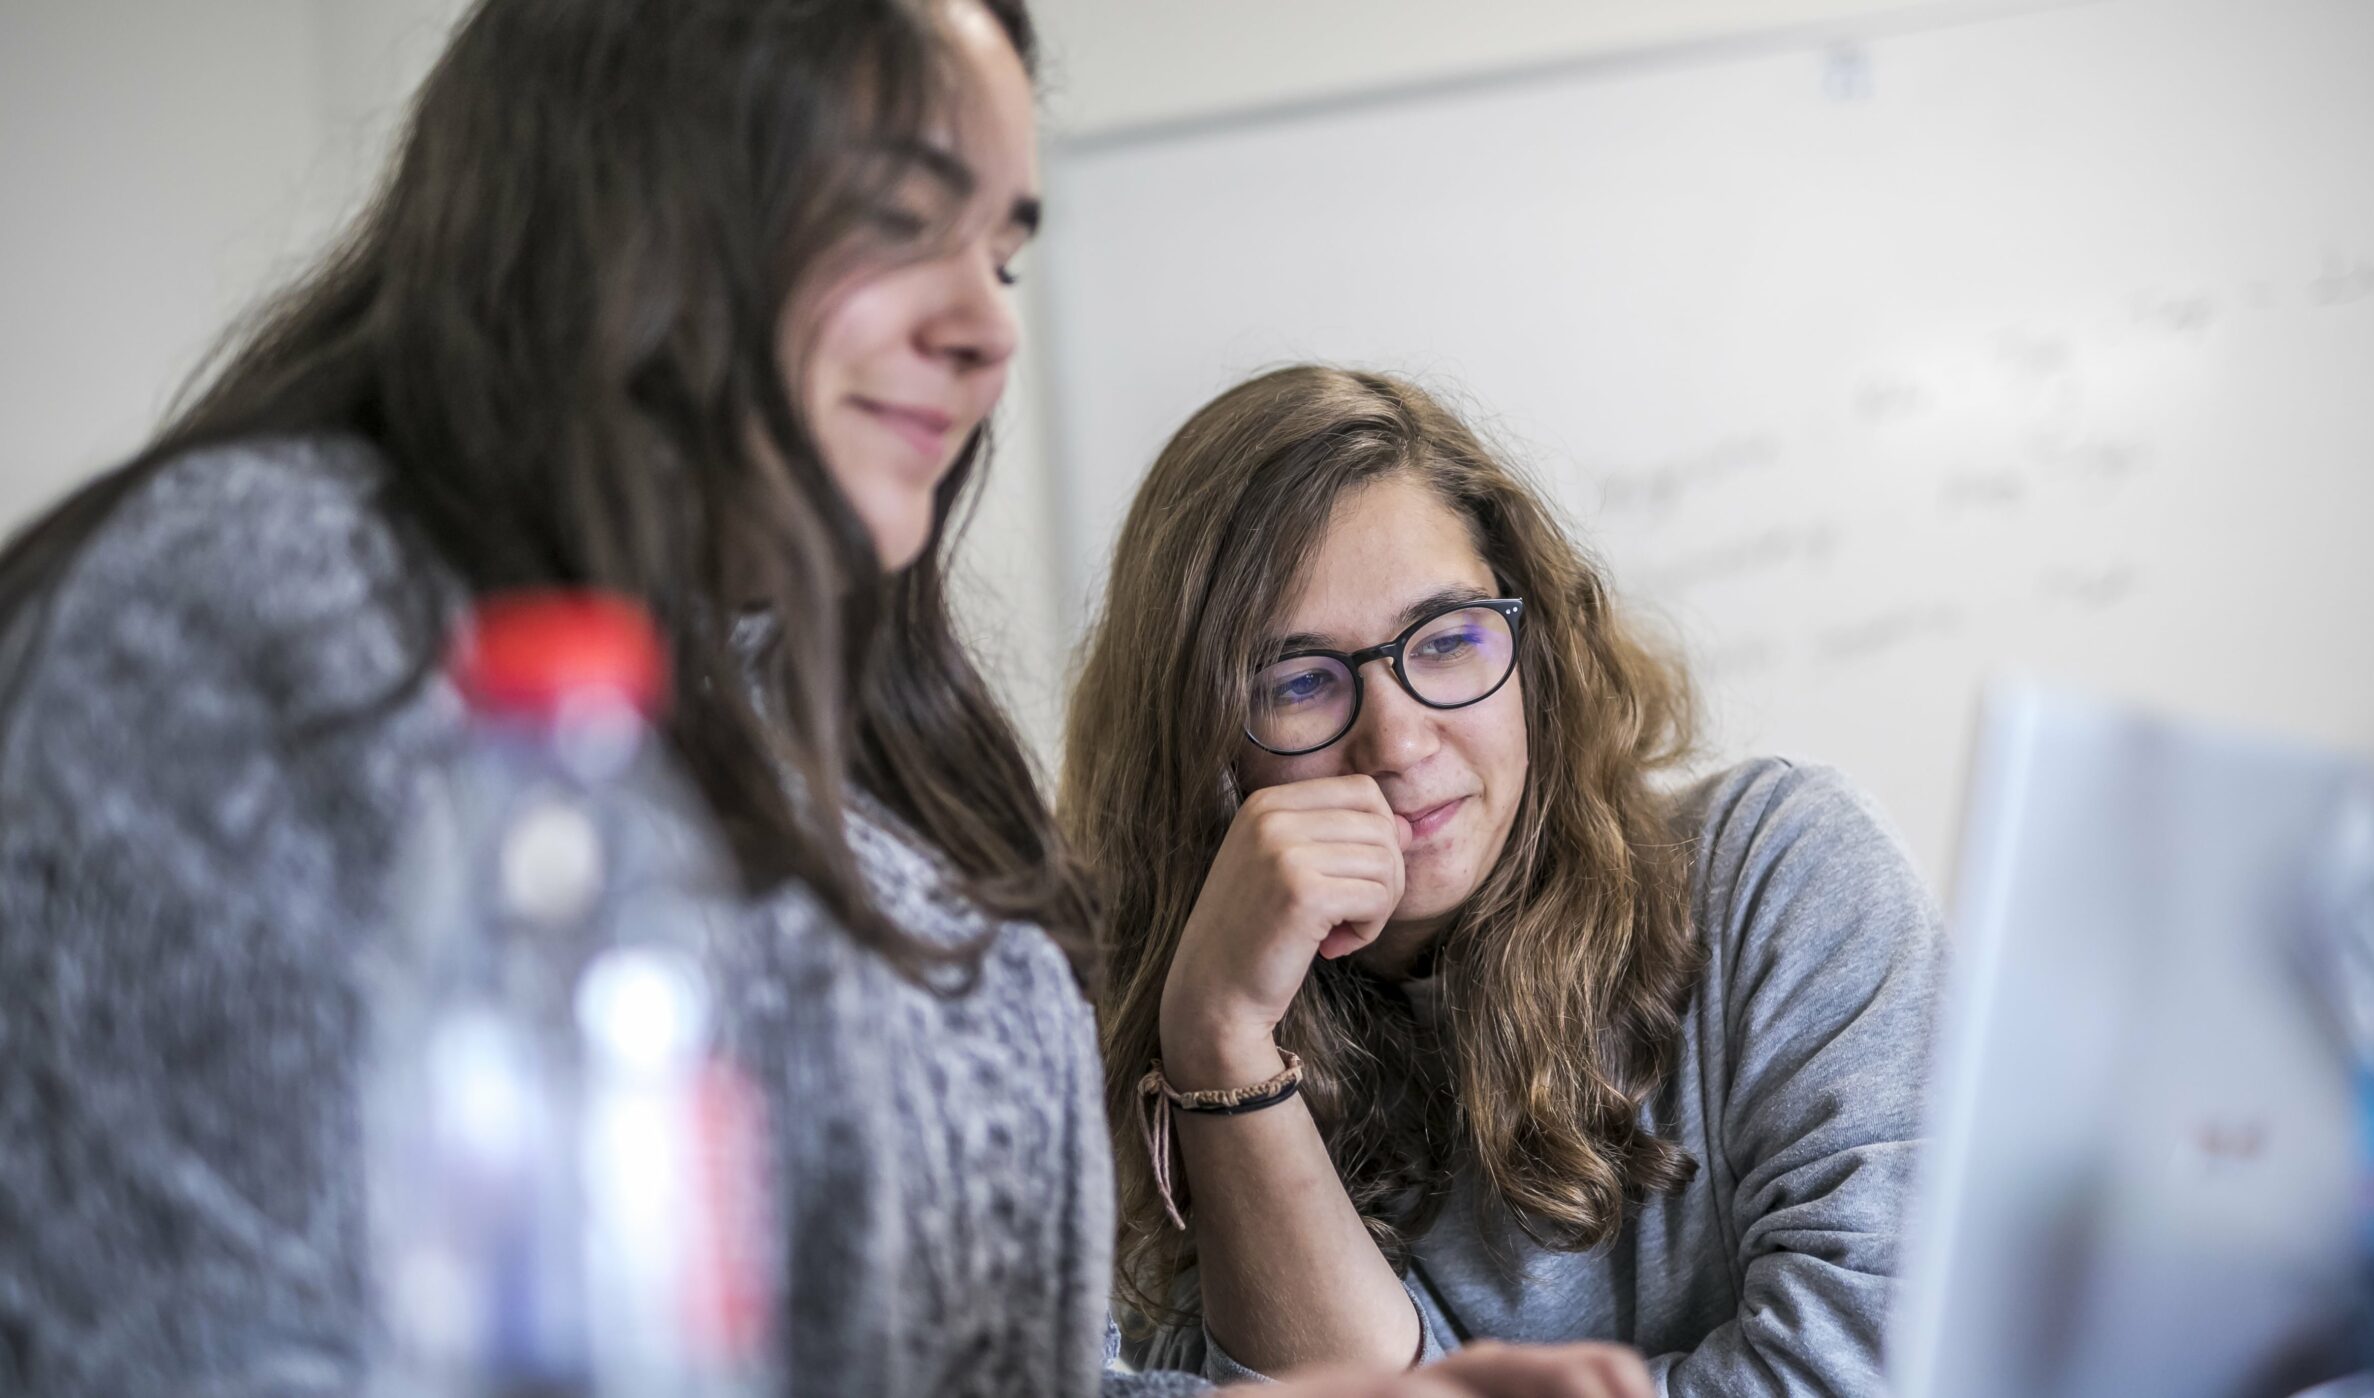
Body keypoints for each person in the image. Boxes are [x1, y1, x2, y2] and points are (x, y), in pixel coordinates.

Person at [0, 6, 1650, 1397]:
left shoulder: (839, 696)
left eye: (1004, 251)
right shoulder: (268, 607)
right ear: (628, 189)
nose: (987, 326)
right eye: (899, 220)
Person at [1062, 365, 1944, 1395]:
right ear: (1200, 749)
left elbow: (1880, 1369)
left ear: (1535, 652)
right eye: (1298, 681)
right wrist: (1218, 1037)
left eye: (1444, 641)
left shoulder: (1778, 871)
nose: (1395, 740)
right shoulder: (1135, 1061)